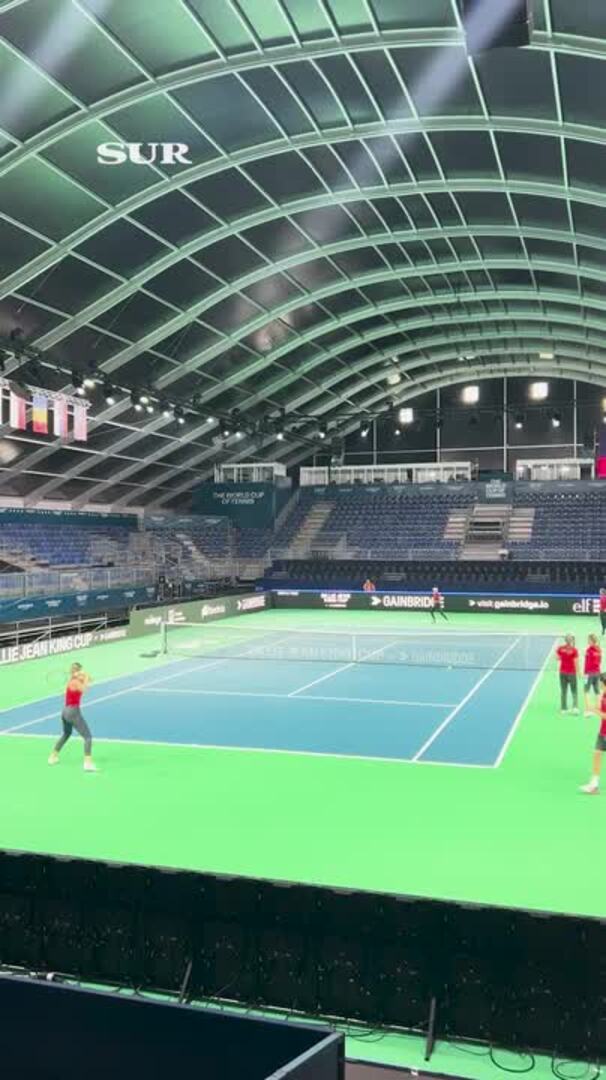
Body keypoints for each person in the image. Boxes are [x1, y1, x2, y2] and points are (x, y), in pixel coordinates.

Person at [48, 662, 97, 772]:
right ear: (77, 671)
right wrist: (85, 677)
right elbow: (85, 689)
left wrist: (86, 676)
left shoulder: (74, 680)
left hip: (65, 712)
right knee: (88, 738)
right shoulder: (74, 682)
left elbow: (91, 680)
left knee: (67, 733)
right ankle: (87, 764)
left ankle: (53, 756)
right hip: (73, 712)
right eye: (81, 671)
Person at [580, 672, 606, 794]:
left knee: (597, 755)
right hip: (603, 732)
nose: (599, 683)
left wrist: (593, 710)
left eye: (601, 682)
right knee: (597, 755)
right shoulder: (604, 695)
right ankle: (594, 785)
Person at [556, 634, 579, 715]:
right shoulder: (574, 650)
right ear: (571, 640)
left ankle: (563, 709)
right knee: (574, 690)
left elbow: (557, 658)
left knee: (563, 690)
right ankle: (575, 708)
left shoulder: (560, 648)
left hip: (562, 672)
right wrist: (579, 672)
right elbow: (576, 662)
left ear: (565, 640)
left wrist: (563, 655)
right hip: (572, 673)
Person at [583, 633, 602, 717]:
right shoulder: (599, 650)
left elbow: (587, 663)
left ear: (591, 641)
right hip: (597, 673)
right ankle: (597, 709)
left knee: (586, 691)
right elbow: (599, 661)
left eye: (588, 640)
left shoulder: (588, 650)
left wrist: (585, 673)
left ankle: (588, 710)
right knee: (597, 691)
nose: (587, 641)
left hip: (589, 673)